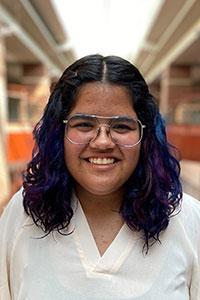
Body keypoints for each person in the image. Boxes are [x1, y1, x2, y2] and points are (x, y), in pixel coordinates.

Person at [0, 54, 200, 300]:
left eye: (121, 126)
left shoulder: (188, 220)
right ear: (58, 133)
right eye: (84, 124)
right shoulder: (23, 214)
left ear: (145, 136)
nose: (103, 141)